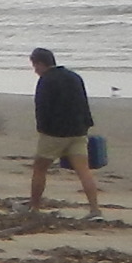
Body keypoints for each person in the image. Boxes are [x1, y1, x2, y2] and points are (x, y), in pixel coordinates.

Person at [25, 48, 102, 219]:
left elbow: (42, 108)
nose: (35, 70)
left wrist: (43, 129)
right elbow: (83, 103)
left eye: (35, 65)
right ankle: (95, 210)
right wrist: (86, 125)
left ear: (40, 63)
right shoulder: (74, 77)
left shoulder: (46, 80)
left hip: (54, 133)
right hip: (78, 131)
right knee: (84, 171)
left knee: (39, 168)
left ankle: (34, 207)